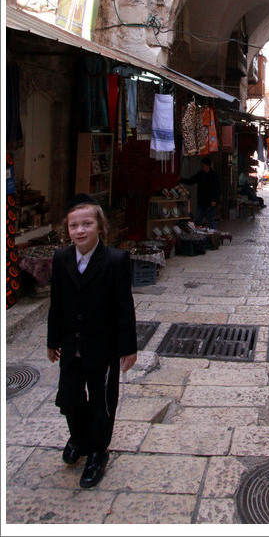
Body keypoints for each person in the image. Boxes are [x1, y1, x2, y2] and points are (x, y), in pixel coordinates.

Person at [47, 193, 137, 489]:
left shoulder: (115, 260)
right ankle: (78, 438)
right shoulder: (61, 259)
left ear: (100, 226)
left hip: (104, 346)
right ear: (68, 230)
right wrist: (52, 340)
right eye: (75, 226)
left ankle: (98, 450)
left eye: (87, 224)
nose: (81, 231)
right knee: (69, 398)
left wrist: (128, 347)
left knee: (102, 402)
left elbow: (125, 307)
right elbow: (56, 303)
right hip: (71, 345)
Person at [180, 155, 221, 228]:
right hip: (202, 201)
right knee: (198, 221)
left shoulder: (214, 175)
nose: (202, 167)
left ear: (208, 166)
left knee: (210, 221)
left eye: (203, 166)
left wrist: (215, 200)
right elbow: (191, 181)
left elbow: (218, 189)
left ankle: (215, 237)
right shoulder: (200, 174)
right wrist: (181, 180)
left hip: (211, 202)